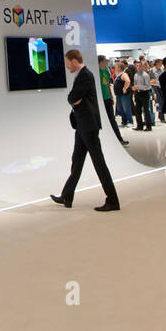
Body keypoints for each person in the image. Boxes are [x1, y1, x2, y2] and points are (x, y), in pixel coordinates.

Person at [50, 50, 120, 212]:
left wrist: (74, 101)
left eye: (68, 63)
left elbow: (72, 97)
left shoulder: (85, 75)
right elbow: (75, 98)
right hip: (83, 125)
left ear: (74, 61)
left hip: (88, 126)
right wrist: (75, 101)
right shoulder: (82, 75)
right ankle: (67, 195)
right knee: (77, 161)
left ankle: (113, 200)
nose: (67, 66)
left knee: (99, 163)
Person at [132, 60, 154, 131]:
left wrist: (140, 87)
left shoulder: (145, 75)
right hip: (137, 94)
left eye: (139, 66)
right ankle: (139, 125)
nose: (138, 67)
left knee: (146, 110)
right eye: (137, 66)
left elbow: (148, 86)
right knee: (137, 110)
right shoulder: (135, 75)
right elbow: (135, 84)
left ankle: (148, 126)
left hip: (144, 94)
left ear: (142, 66)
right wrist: (134, 88)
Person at [97, 56, 114, 131]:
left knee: (112, 119)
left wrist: (111, 96)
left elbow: (107, 85)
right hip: (101, 100)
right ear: (101, 62)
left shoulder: (106, 71)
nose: (107, 62)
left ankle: (118, 138)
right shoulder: (96, 72)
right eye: (105, 61)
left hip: (107, 99)